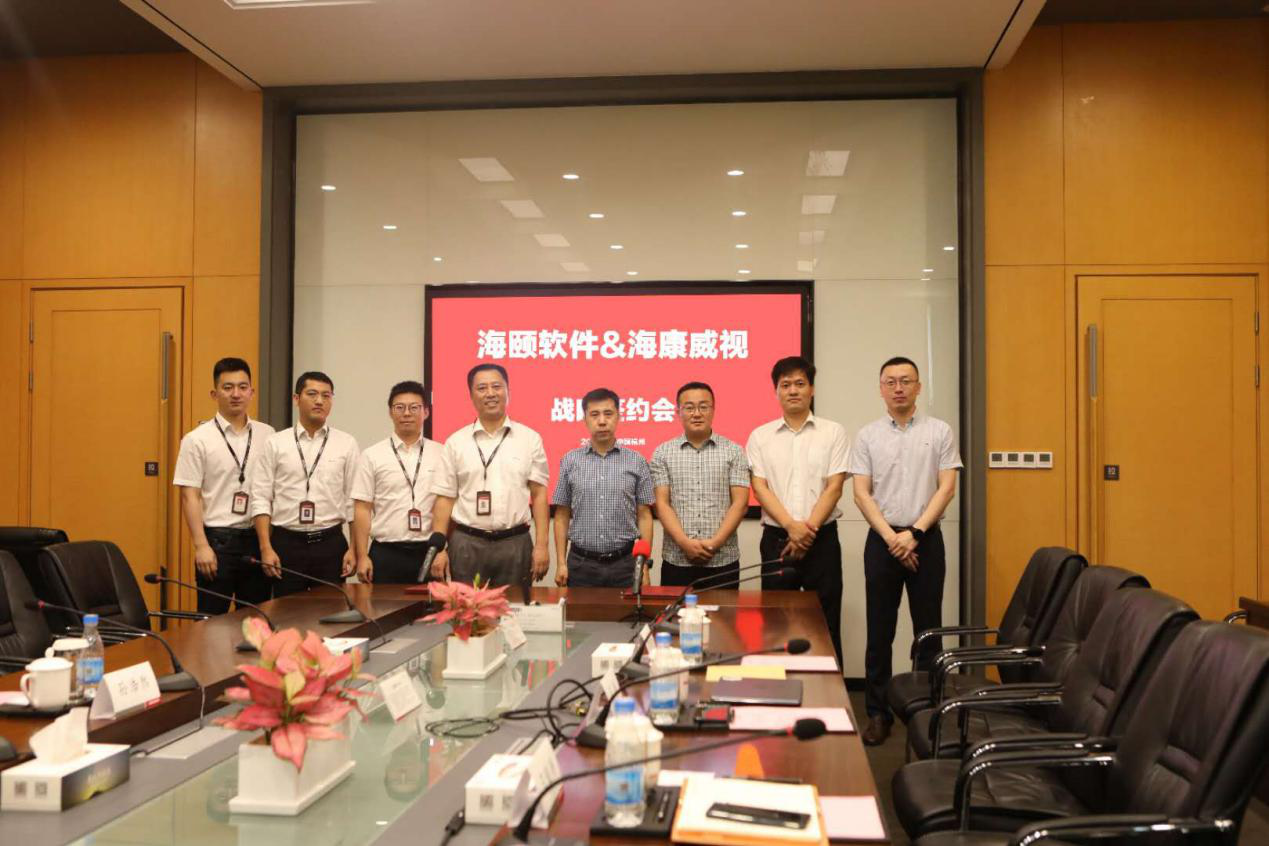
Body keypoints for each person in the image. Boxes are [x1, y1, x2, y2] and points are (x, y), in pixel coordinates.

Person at [849, 355, 961, 746]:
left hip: (926, 539)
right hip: (882, 541)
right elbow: (861, 493)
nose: (898, 388)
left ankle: (927, 714)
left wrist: (914, 533)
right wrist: (893, 538)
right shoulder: (867, 436)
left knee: (928, 631)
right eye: (891, 382)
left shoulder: (940, 431)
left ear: (918, 387)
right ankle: (878, 714)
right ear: (881, 388)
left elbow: (947, 488)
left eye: (906, 381)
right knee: (879, 631)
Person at [747, 356, 851, 664]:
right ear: (776, 391)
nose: (793, 390)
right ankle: (777, 688)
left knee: (826, 623)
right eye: (785, 385)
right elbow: (760, 487)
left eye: (800, 384)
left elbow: (835, 486)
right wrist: (792, 528)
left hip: (823, 540)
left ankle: (830, 691)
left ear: (812, 389)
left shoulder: (833, 432)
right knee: (775, 623)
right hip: (777, 540)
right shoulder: (760, 436)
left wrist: (807, 531)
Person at [430, 364, 550, 592]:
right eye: (482, 388)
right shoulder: (456, 442)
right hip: (466, 543)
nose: (490, 393)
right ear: (471, 395)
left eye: (496, 386)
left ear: (508, 391)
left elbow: (539, 495)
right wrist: (440, 549)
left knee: (514, 610)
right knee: (466, 610)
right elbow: (445, 499)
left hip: (515, 543)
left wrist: (542, 546)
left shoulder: (530, 439)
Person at [172, 357, 276, 614]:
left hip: (256, 540)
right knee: (211, 623)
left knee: (256, 621)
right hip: (217, 542)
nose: (236, 394)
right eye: (228, 387)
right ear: (214, 393)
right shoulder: (197, 439)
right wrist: (201, 546)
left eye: (242, 387)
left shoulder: (268, 435)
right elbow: (190, 496)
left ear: (252, 392)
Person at [251, 371, 360, 598]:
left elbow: (353, 500)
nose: (319, 401)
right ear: (296, 398)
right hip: (286, 544)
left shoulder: (346, 443)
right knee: (287, 613)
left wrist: (354, 548)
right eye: (312, 394)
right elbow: (261, 497)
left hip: (330, 544)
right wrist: (265, 547)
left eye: (326, 396)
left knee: (332, 611)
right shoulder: (275, 443)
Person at [551, 388, 654, 588]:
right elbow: (561, 516)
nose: (602, 421)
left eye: (608, 414)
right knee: (579, 610)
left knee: (630, 610)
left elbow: (644, 516)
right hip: (581, 564)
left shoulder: (637, 461)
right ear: (585, 419)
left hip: (625, 564)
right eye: (594, 414)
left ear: (618, 417)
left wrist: (644, 567)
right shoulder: (570, 460)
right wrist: (561, 563)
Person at [649, 382, 750, 587]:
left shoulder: (734, 451)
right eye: (689, 407)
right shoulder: (662, 453)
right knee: (674, 610)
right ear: (678, 412)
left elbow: (740, 504)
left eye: (703, 407)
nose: (697, 413)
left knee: (723, 610)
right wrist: (684, 543)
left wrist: (714, 544)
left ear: (713, 410)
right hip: (677, 559)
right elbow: (661, 504)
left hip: (723, 560)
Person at [351, 381, 446, 584]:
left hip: (429, 552)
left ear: (426, 412)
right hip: (385, 553)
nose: (407, 413)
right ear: (390, 412)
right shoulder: (372, 455)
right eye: (400, 407)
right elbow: (362, 508)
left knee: (431, 606)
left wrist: (444, 550)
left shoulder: (442, 453)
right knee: (382, 605)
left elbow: (447, 505)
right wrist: (362, 556)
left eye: (414, 407)